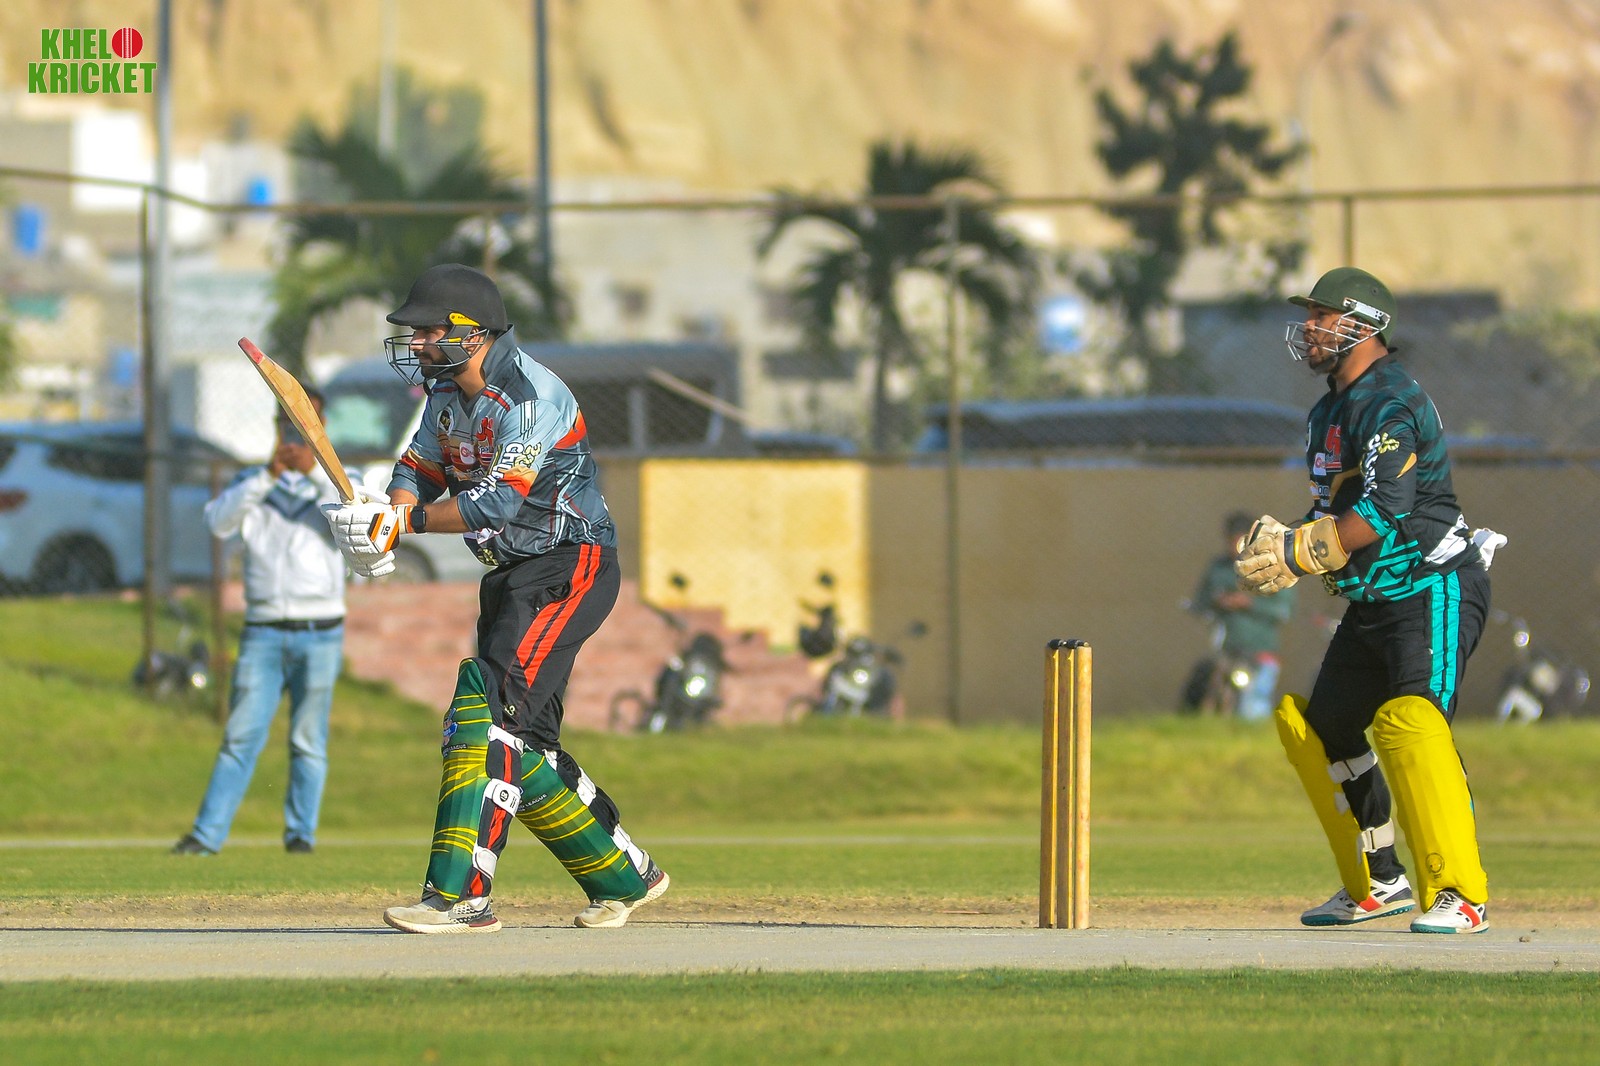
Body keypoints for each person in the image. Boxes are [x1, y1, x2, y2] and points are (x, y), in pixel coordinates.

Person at [322, 263, 668, 933]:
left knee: (485, 717)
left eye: (429, 331)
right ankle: (624, 874)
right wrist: (386, 513)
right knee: (526, 741)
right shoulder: (445, 393)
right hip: (512, 575)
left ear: (474, 334)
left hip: (569, 566)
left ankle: (460, 898)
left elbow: (494, 504)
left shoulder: (532, 397)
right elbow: (418, 468)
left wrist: (403, 523)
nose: (417, 343)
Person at [1236, 266, 1505, 934]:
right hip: (1375, 599)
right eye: (1310, 316)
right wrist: (1292, 539)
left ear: (1362, 324)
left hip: (1433, 584)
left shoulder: (1388, 400)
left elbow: (1386, 507)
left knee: (1414, 723)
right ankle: (1380, 880)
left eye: (1323, 316)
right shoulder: (1327, 411)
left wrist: (1301, 553)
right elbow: (1332, 512)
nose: (1310, 328)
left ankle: (1460, 893)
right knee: (1325, 726)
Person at [173, 390, 353, 856]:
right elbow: (218, 522)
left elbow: (360, 522)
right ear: (276, 429)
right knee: (241, 736)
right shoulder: (251, 481)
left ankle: (301, 836)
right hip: (263, 631)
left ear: (322, 428)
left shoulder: (342, 482)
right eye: (288, 426)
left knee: (308, 739)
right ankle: (206, 836)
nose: (295, 436)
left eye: (305, 426)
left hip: (321, 630)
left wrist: (315, 472)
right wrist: (269, 475)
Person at [1184, 511, 1296, 720]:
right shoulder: (1218, 568)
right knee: (1217, 703)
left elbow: (1283, 611)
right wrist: (1219, 601)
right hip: (1227, 651)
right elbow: (1201, 602)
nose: (1234, 548)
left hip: (1260, 651)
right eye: (1230, 541)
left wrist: (1249, 603)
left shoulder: (1272, 564)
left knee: (1252, 708)